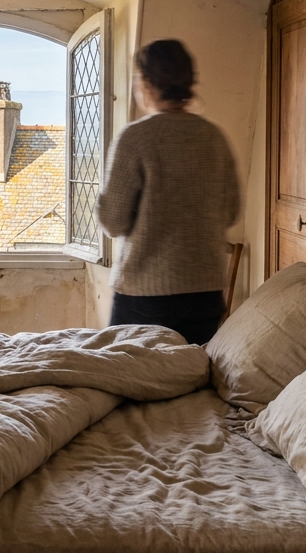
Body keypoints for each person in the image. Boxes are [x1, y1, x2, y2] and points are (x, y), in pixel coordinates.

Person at [96, 38, 240, 345]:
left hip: (144, 295)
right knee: (192, 380)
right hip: (205, 292)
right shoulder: (214, 138)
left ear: (146, 83)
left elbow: (113, 222)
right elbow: (230, 212)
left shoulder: (135, 138)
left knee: (128, 380)